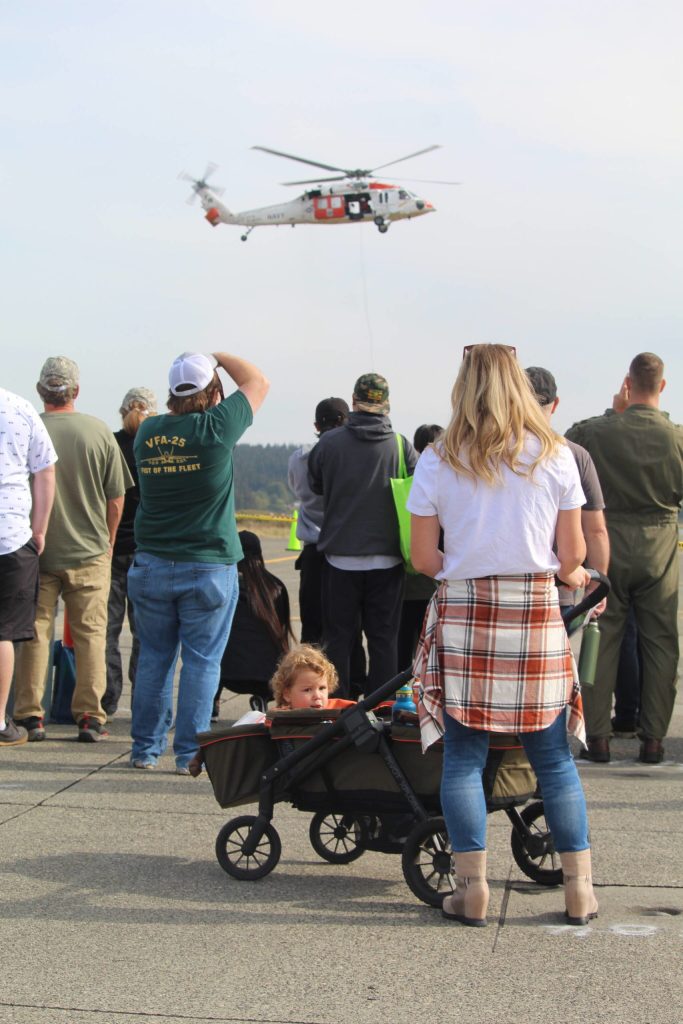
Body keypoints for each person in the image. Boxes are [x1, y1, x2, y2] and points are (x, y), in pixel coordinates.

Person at [409, 343, 595, 928]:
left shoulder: (440, 457)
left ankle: (471, 889)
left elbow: (420, 556)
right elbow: (572, 556)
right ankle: (579, 891)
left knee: (463, 756)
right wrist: (571, 572)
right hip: (535, 609)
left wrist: (465, 570)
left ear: (463, 386)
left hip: (467, 611)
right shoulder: (556, 455)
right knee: (554, 758)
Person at [128, 351, 269, 774]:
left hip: (151, 562)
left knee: (154, 657)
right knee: (202, 661)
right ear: (213, 393)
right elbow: (258, 382)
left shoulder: (147, 432)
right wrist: (218, 356)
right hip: (207, 564)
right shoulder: (215, 428)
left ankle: (145, 749)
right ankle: (189, 753)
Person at [566, 352, 683, 764]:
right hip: (661, 543)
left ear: (627, 385)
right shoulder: (677, 437)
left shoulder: (597, 432)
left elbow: (569, 443)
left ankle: (596, 738)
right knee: (661, 644)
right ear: (663, 386)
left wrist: (613, 412)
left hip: (608, 538)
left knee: (603, 637)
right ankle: (653, 741)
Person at [13, 358, 133, 742]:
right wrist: (109, 541)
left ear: (40, 391)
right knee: (91, 636)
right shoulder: (98, 432)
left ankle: (31, 715)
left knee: (34, 634)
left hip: (37, 549)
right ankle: (90, 717)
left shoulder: (28, 427)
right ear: (76, 391)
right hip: (90, 551)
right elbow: (116, 498)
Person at [308, 373, 417, 696]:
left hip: (340, 558)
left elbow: (316, 484)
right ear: (386, 405)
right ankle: (382, 706)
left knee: (338, 639)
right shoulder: (400, 445)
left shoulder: (329, 443)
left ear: (353, 401)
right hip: (387, 559)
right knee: (384, 639)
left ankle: (339, 709)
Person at [525, 366, 609, 613]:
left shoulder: (496, 454)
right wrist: (597, 584)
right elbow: (596, 530)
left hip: (503, 585)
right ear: (556, 403)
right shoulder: (575, 455)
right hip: (560, 588)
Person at [0, 387, 57, 747]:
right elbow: (45, 472)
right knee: (3, 632)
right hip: (10, 535)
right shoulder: (19, 408)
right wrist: (40, 529)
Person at [102, 387, 157, 716]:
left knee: (106, 630)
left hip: (109, 550)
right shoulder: (154, 446)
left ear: (122, 411)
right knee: (145, 633)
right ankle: (143, 699)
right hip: (146, 551)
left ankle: (107, 698)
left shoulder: (110, 443)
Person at [287, 397, 349, 643]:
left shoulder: (300, 457)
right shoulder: (351, 456)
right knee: (345, 630)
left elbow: (296, 489)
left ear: (316, 426)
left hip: (313, 549)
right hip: (346, 552)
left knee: (312, 628)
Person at [214, 529, 293, 719]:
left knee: (214, 649)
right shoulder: (275, 586)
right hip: (266, 677)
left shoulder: (224, 584)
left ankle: (212, 702)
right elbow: (282, 632)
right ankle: (262, 699)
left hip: (227, 674)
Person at [396, 424, 443, 670]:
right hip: (434, 581)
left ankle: (398, 693)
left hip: (405, 579)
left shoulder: (405, 486)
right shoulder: (444, 483)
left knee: (403, 642)